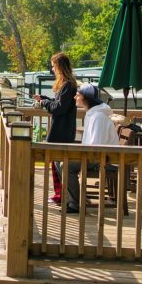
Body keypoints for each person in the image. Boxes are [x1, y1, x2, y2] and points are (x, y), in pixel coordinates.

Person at [64, 82, 119, 213]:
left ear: (85, 98)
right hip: (98, 156)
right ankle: (76, 198)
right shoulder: (93, 114)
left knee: (64, 165)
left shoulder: (98, 117)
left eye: (77, 95)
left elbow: (96, 146)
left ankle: (75, 203)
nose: (74, 97)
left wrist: (77, 154)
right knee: (58, 161)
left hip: (103, 160)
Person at [33, 53, 78, 204]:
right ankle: (59, 194)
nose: (52, 69)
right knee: (55, 163)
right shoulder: (66, 84)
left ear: (60, 67)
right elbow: (58, 102)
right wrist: (45, 99)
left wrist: (45, 104)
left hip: (62, 130)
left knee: (57, 163)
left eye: (53, 66)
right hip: (61, 129)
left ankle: (61, 195)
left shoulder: (68, 85)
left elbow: (58, 108)